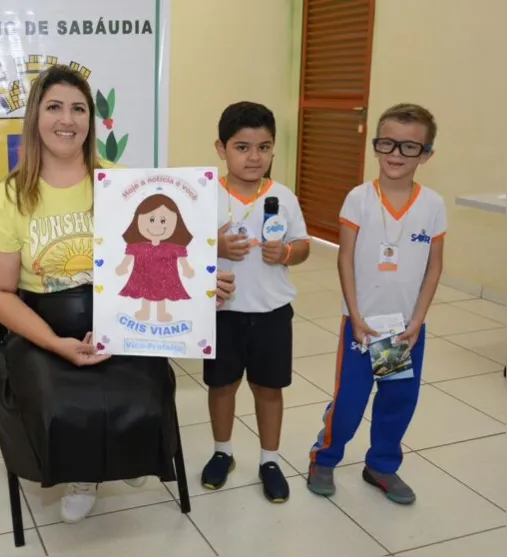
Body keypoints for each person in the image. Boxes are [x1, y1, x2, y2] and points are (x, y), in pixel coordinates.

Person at [0, 64, 236, 524]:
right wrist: (56, 343)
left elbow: (158, 254)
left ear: (90, 121)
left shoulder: (122, 185)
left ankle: (124, 455)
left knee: (143, 391)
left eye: (79, 109)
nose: (67, 119)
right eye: (55, 106)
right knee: (61, 403)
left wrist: (200, 288)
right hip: (45, 326)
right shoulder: (9, 197)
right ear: (35, 116)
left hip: (121, 317)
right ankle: (86, 473)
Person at [307, 103, 445, 505]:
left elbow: (434, 268)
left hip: (404, 328)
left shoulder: (432, 205)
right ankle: (325, 457)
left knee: (397, 399)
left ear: (427, 154)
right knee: (350, 399)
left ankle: (381, 466)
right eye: (388, 143)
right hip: (363, 326)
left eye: (409, 147)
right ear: (376, 146)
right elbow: (344, 257)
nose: (397, 154)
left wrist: (417, 321)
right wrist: (355, 315)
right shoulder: (359, 199)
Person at [200, 101, 310, 503]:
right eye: (242, 147)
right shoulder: (204, 194)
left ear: (273, 150)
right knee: (221, 385)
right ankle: (222, 452)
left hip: (272, 312)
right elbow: (182, 249)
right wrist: (215, 245)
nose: (253, 157)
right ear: (221, 148)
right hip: (222, 312)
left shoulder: (283, 196)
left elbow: (303, 246)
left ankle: (269, 460)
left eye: (263, 147)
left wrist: (285, 254)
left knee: (269, 388)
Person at [116, 193, 196, 322]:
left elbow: (181, 257)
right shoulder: (138, 246)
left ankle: (161, 313)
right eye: (151, 220)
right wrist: (123, 266)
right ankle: (145, 311)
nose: (157, 225)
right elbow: (129, 255)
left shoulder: (172, 247)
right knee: (145, 291)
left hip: (165, 275)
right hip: (143, 274)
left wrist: (187, 268)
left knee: (162, 293)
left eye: (163, 221)